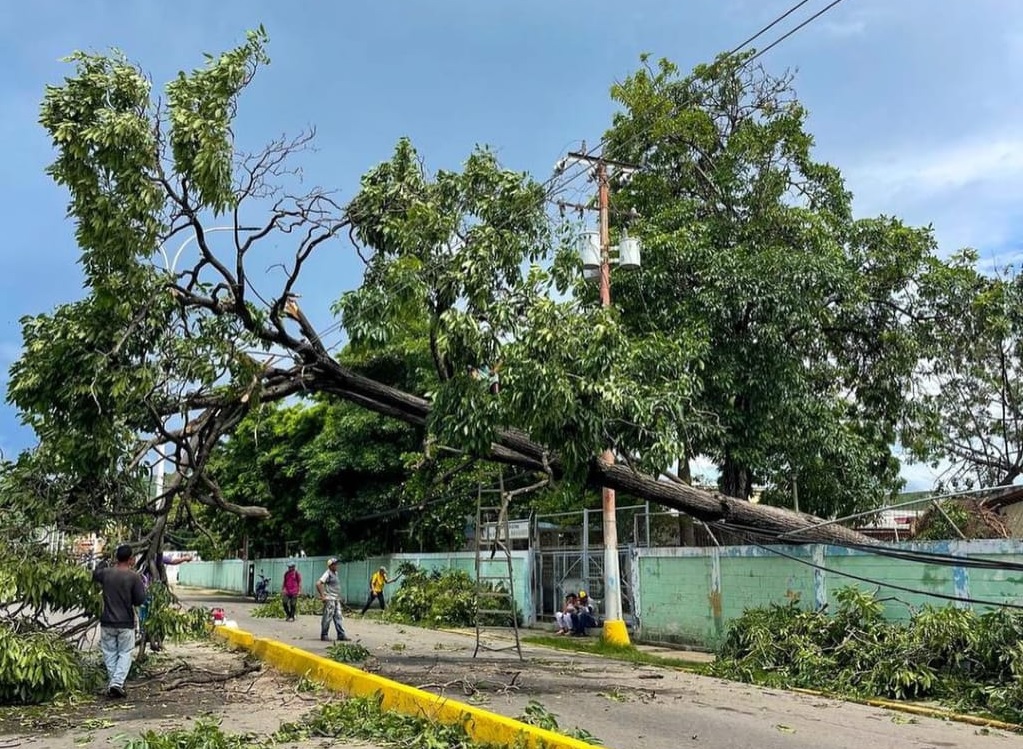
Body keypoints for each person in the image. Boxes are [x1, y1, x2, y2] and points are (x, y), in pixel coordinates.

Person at [92, 544, 146, 698]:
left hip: (107, 621)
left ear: (116, 558)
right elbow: (139, 600)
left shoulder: (106, 574)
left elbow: (95, 574)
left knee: (109, 653)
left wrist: (103, 561)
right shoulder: (133, 577)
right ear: (130, 559)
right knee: (125, 653)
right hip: (125, 622)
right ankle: (116, 683)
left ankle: (114, 684)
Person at [315, 558, 348, 642]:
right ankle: (324, 634)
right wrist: (323, 596)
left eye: (336, 564)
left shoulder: (335, 573)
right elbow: (318, 583)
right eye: (335, 564)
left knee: (338, 616)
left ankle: (341, 634)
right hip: (329, 599)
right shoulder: (327, 573)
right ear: (330, 566)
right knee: (327, 617)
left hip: (336, 599)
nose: (336, 566)